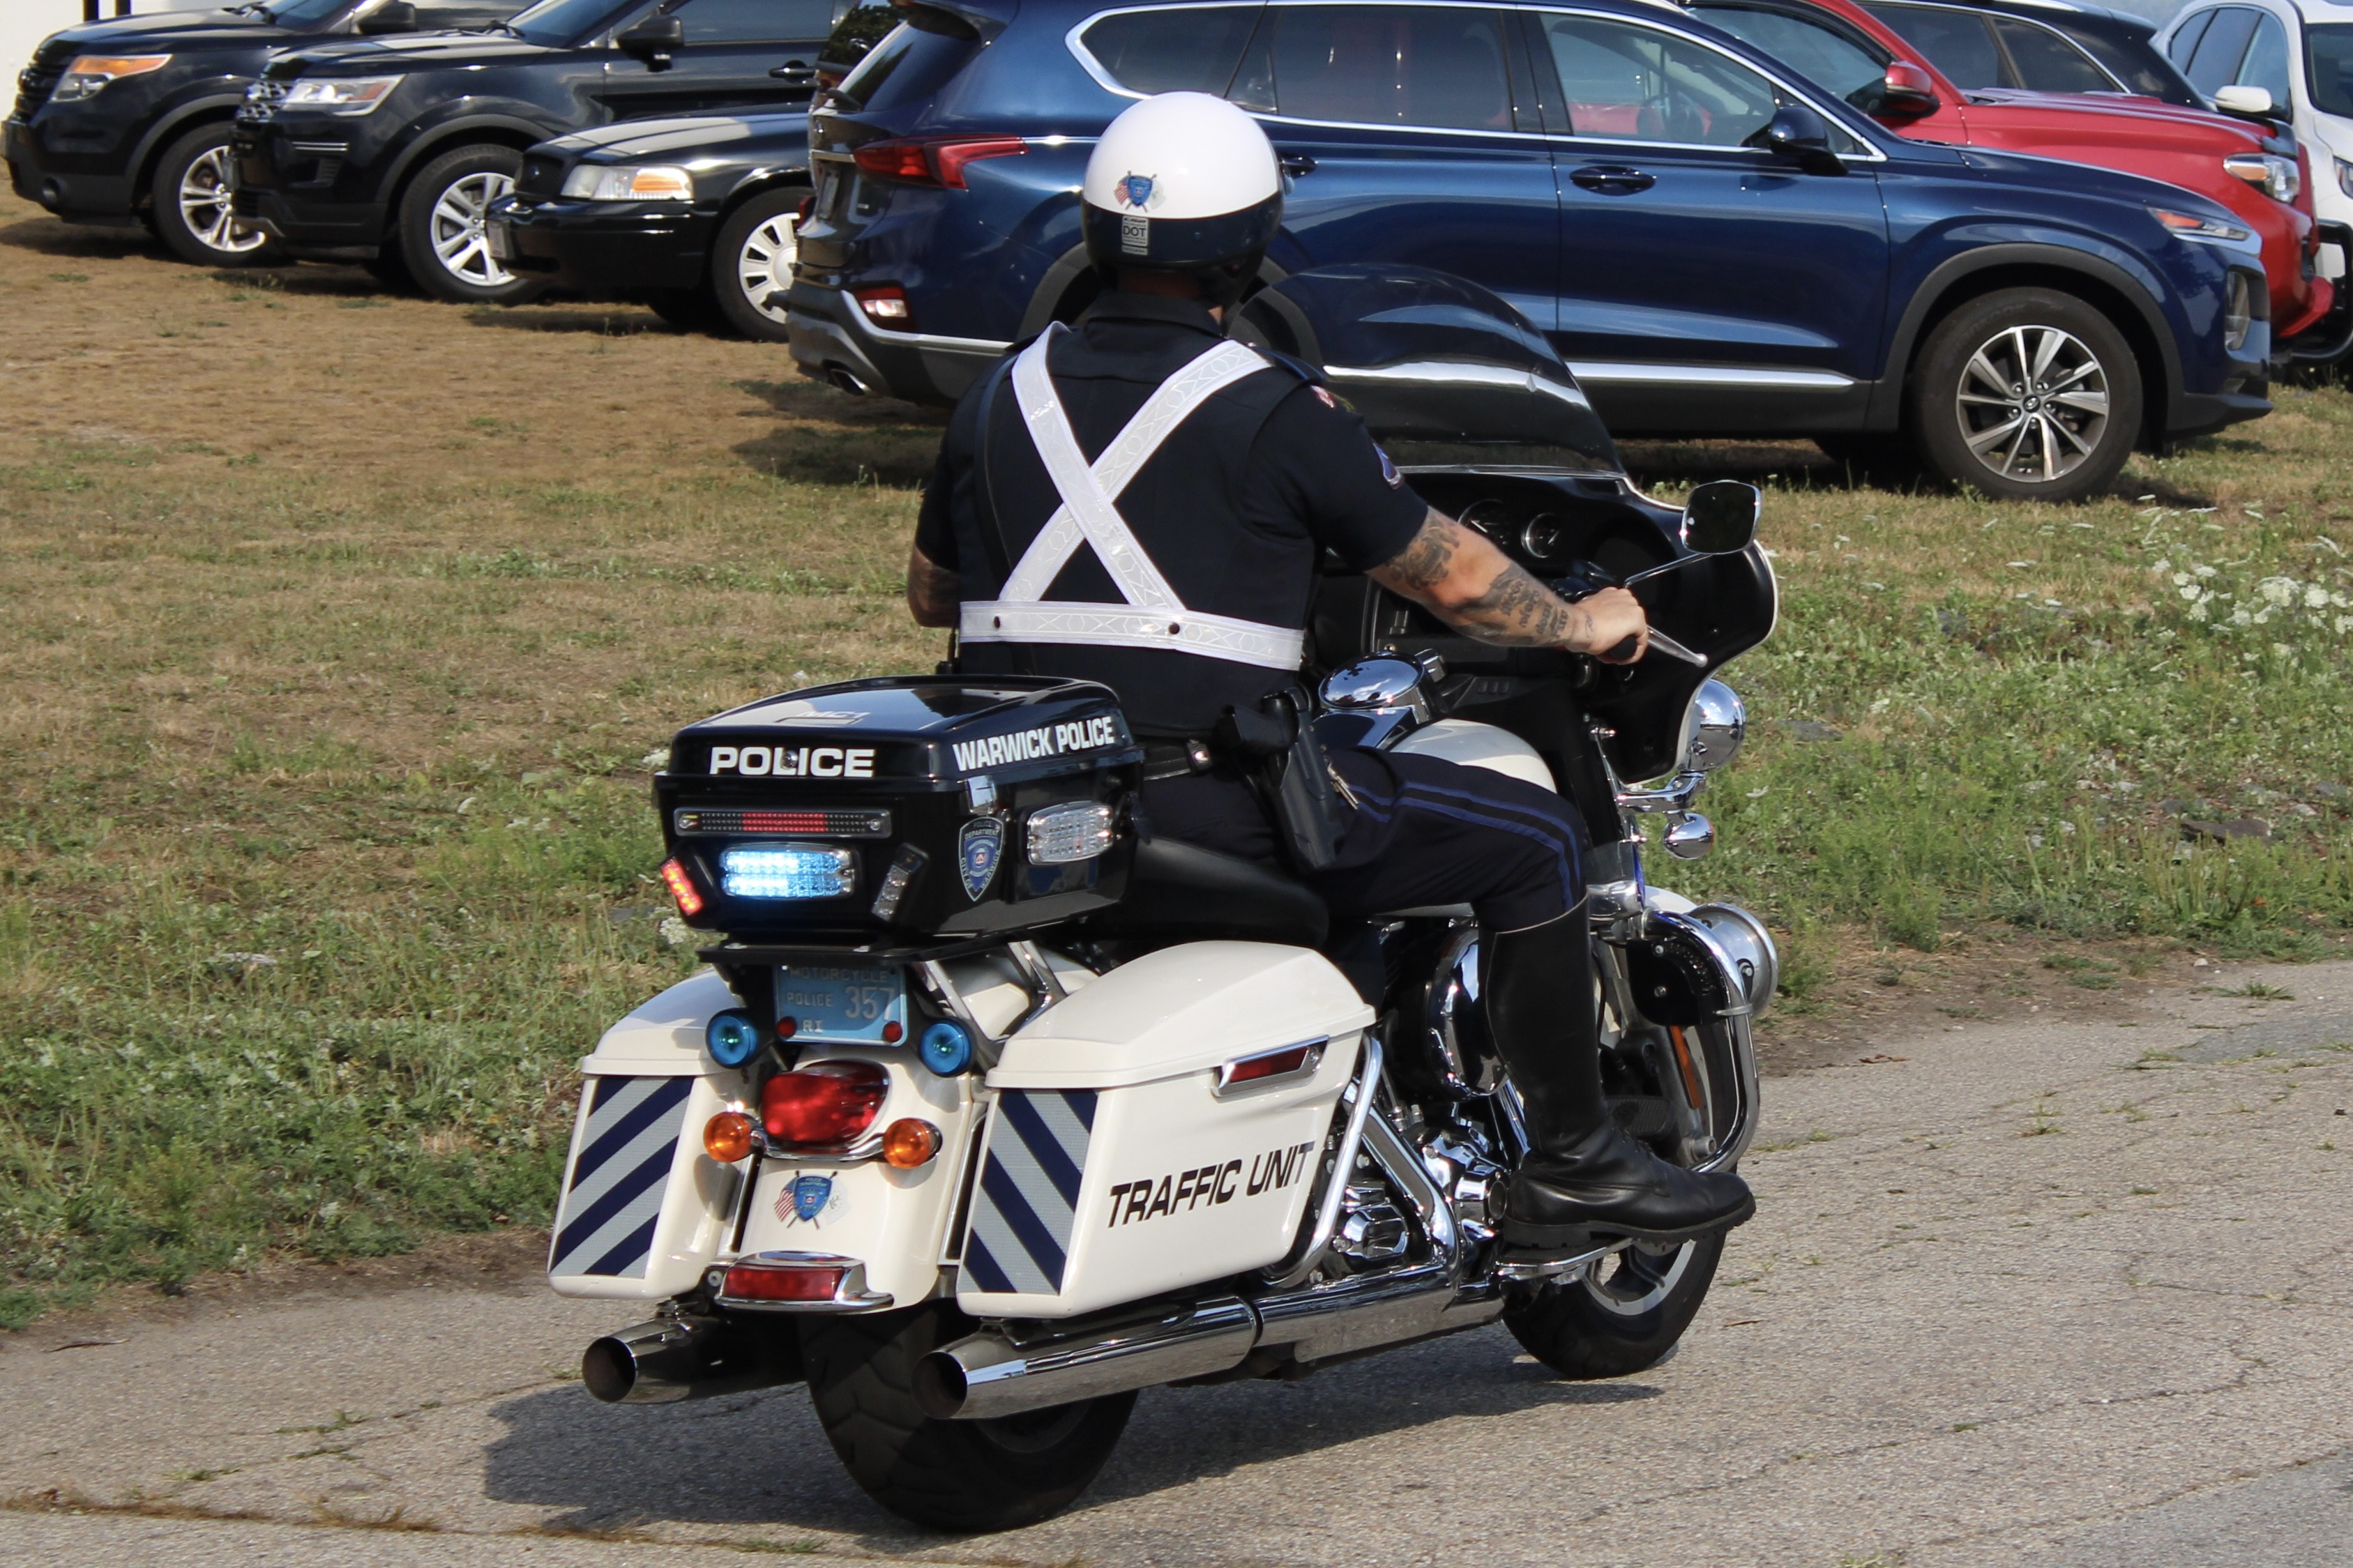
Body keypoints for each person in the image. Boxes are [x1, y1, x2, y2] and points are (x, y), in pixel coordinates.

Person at [905, 91, 1751, 1249]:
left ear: (1095, 236)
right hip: (1207, 800)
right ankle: (1577, 1165)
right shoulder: (1274, 406)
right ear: (1248, 249)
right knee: (1536, 838)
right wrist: (1579, 621)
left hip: (1033, 807)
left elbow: (933, 592)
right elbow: (1454, 579)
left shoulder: (997, 395)